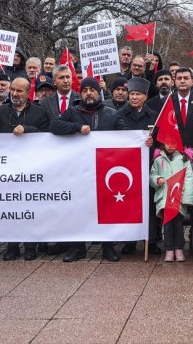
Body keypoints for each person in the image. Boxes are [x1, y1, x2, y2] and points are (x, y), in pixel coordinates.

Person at [0, 77, 49, 260]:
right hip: (6, 171)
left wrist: (27, 129)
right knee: (10, 209)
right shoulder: (0, 111)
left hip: (31, 170)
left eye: (19, 91)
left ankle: (30, 246)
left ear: (28, 92)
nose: (15, 94)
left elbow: (48, 136)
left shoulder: (40, 113)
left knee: (29, 209)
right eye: (13, 90)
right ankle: (12, 246)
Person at [51, 78, 121, 262]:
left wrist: (142, 140)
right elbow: (54, 126)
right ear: (80, 93)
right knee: (78, 208)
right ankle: (78, 247)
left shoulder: (112, 114)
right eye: (85, 90)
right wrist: (76, 128)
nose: (89, 93)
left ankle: (108, 247)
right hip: (79, 170)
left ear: (99, 92)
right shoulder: (73, 112)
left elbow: (126, 135)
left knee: (105, 208)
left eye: (92, 90)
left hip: (104, 169)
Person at [116, 77, 160, 255]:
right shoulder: (119, 114)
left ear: (145, 96)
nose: (134, 97)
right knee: (129, 203)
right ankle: (130, 240)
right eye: (132, 94)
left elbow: (161, 140)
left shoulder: (154, 116)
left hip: (148, 164)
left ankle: (152, 239)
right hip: (127, 166)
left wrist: (152, 142)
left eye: (138, 94)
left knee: (150, 204)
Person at [150, 142, 193, 262]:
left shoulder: (184, 159)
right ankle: (169, 249)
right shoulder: (159, 160)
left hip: (178, 198)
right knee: (168, 225)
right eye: (167, 143)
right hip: (164, 198)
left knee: (179, 224)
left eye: (173, 143)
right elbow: (152, 174)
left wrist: (187, 199)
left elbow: (189, 179)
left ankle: (179, 248)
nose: (170, 146)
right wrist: (157, 179)